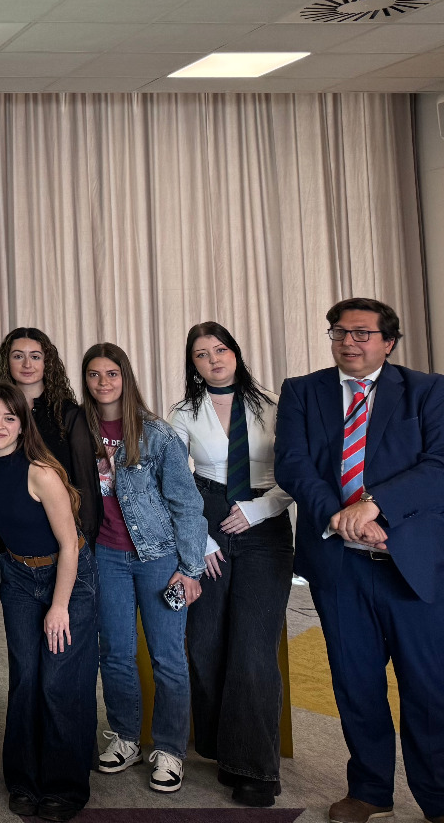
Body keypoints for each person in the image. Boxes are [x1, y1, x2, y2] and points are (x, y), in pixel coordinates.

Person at [275, 298, 444, 823]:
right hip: (340, 566)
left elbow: (439, 465)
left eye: (362, 333)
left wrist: (375, 505)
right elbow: (294, 465)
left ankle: (438, 797)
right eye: (339, 332)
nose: (348, 341)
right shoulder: (303, 391)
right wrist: (345, 517)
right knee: (355, 683)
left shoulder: (429, 391)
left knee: (428, 686)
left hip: (409, 566)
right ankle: (370, 790)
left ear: (388, 342)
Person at [169, 322, 293, 807]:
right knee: (205, 642)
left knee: (254, 646)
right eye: (201, 354)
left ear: (236, 353)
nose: (213, 360)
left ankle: (257, 769)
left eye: (220, 350)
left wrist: (260, 510)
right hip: (207, 517)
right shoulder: (182, 413)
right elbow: (177, 481)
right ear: (193, 364)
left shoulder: (275, 408)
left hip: (264, 522)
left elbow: (295, 472)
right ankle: (225, 750)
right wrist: (199, 538)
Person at [81, 342, 207, 794]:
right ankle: (126, 736)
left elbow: (187, 505)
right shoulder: (80, 430)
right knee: (114, 652)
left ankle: (170, 749)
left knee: (167, 657)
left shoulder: (157, 434)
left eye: (111, 374)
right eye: (94, 375)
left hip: (158, 558)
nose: (103, 382)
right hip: (106, 557)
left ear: (126, 377)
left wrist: (190, 568)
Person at [0, 381, 95, 823]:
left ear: (23, 425)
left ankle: (64, 786)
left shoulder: (40, 470)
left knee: (59, 681)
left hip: (67, 576)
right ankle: (24, 780)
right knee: (25, 680)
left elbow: (70, 546)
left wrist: (59, 606)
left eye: (9, 417)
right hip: (19, 577)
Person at [0, 328, 102, 545]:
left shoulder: (69, 415)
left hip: (61, 538)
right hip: (8, 539)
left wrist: (84, 545)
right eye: (18, 356)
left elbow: (86, 487)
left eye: (35, 356)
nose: (27, 364)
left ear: (47, 362)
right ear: (7, 361)